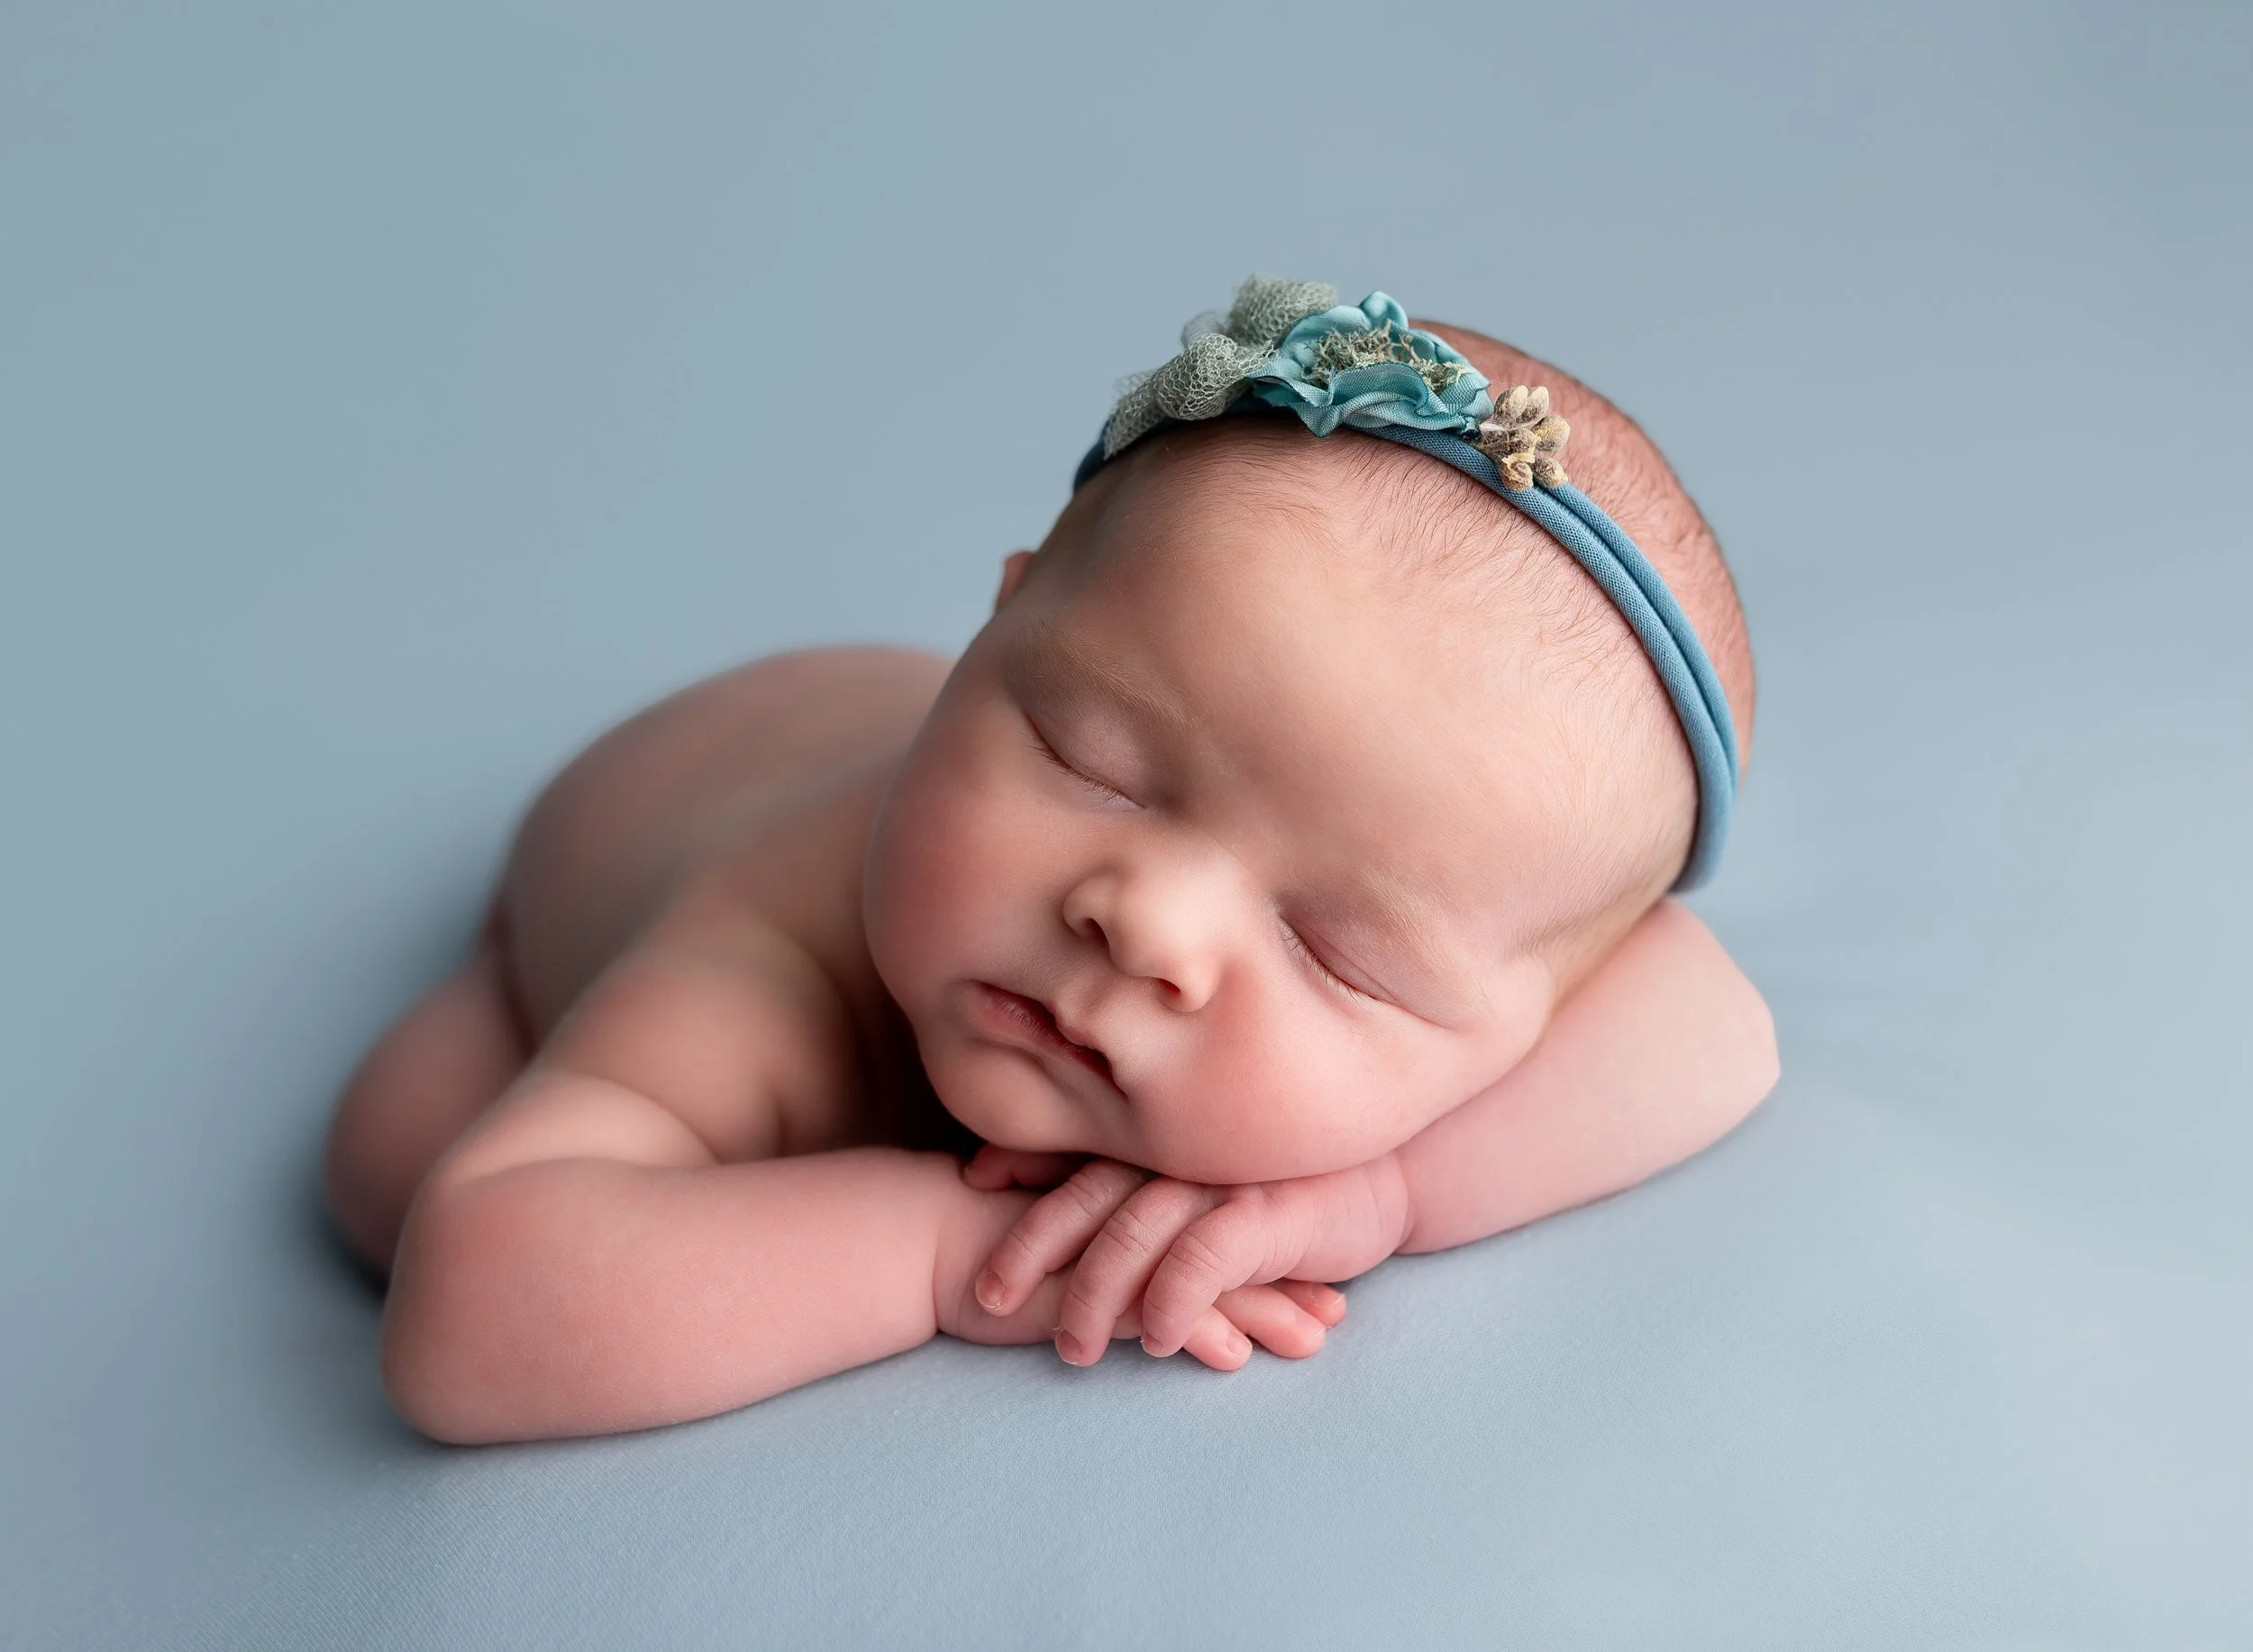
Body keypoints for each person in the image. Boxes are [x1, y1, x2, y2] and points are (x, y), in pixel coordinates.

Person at [326, 278, 1779, 1444]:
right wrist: (954, 1258)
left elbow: (1723, 1027)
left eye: (1339, 951)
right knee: (393, 1183)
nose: (1150, 926)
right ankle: (510, 978)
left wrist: (1377, 1195)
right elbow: (472, 1318)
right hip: (654, 811)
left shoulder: (1481, 903)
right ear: (993, 632)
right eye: (1093, 763)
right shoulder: (757, 964)